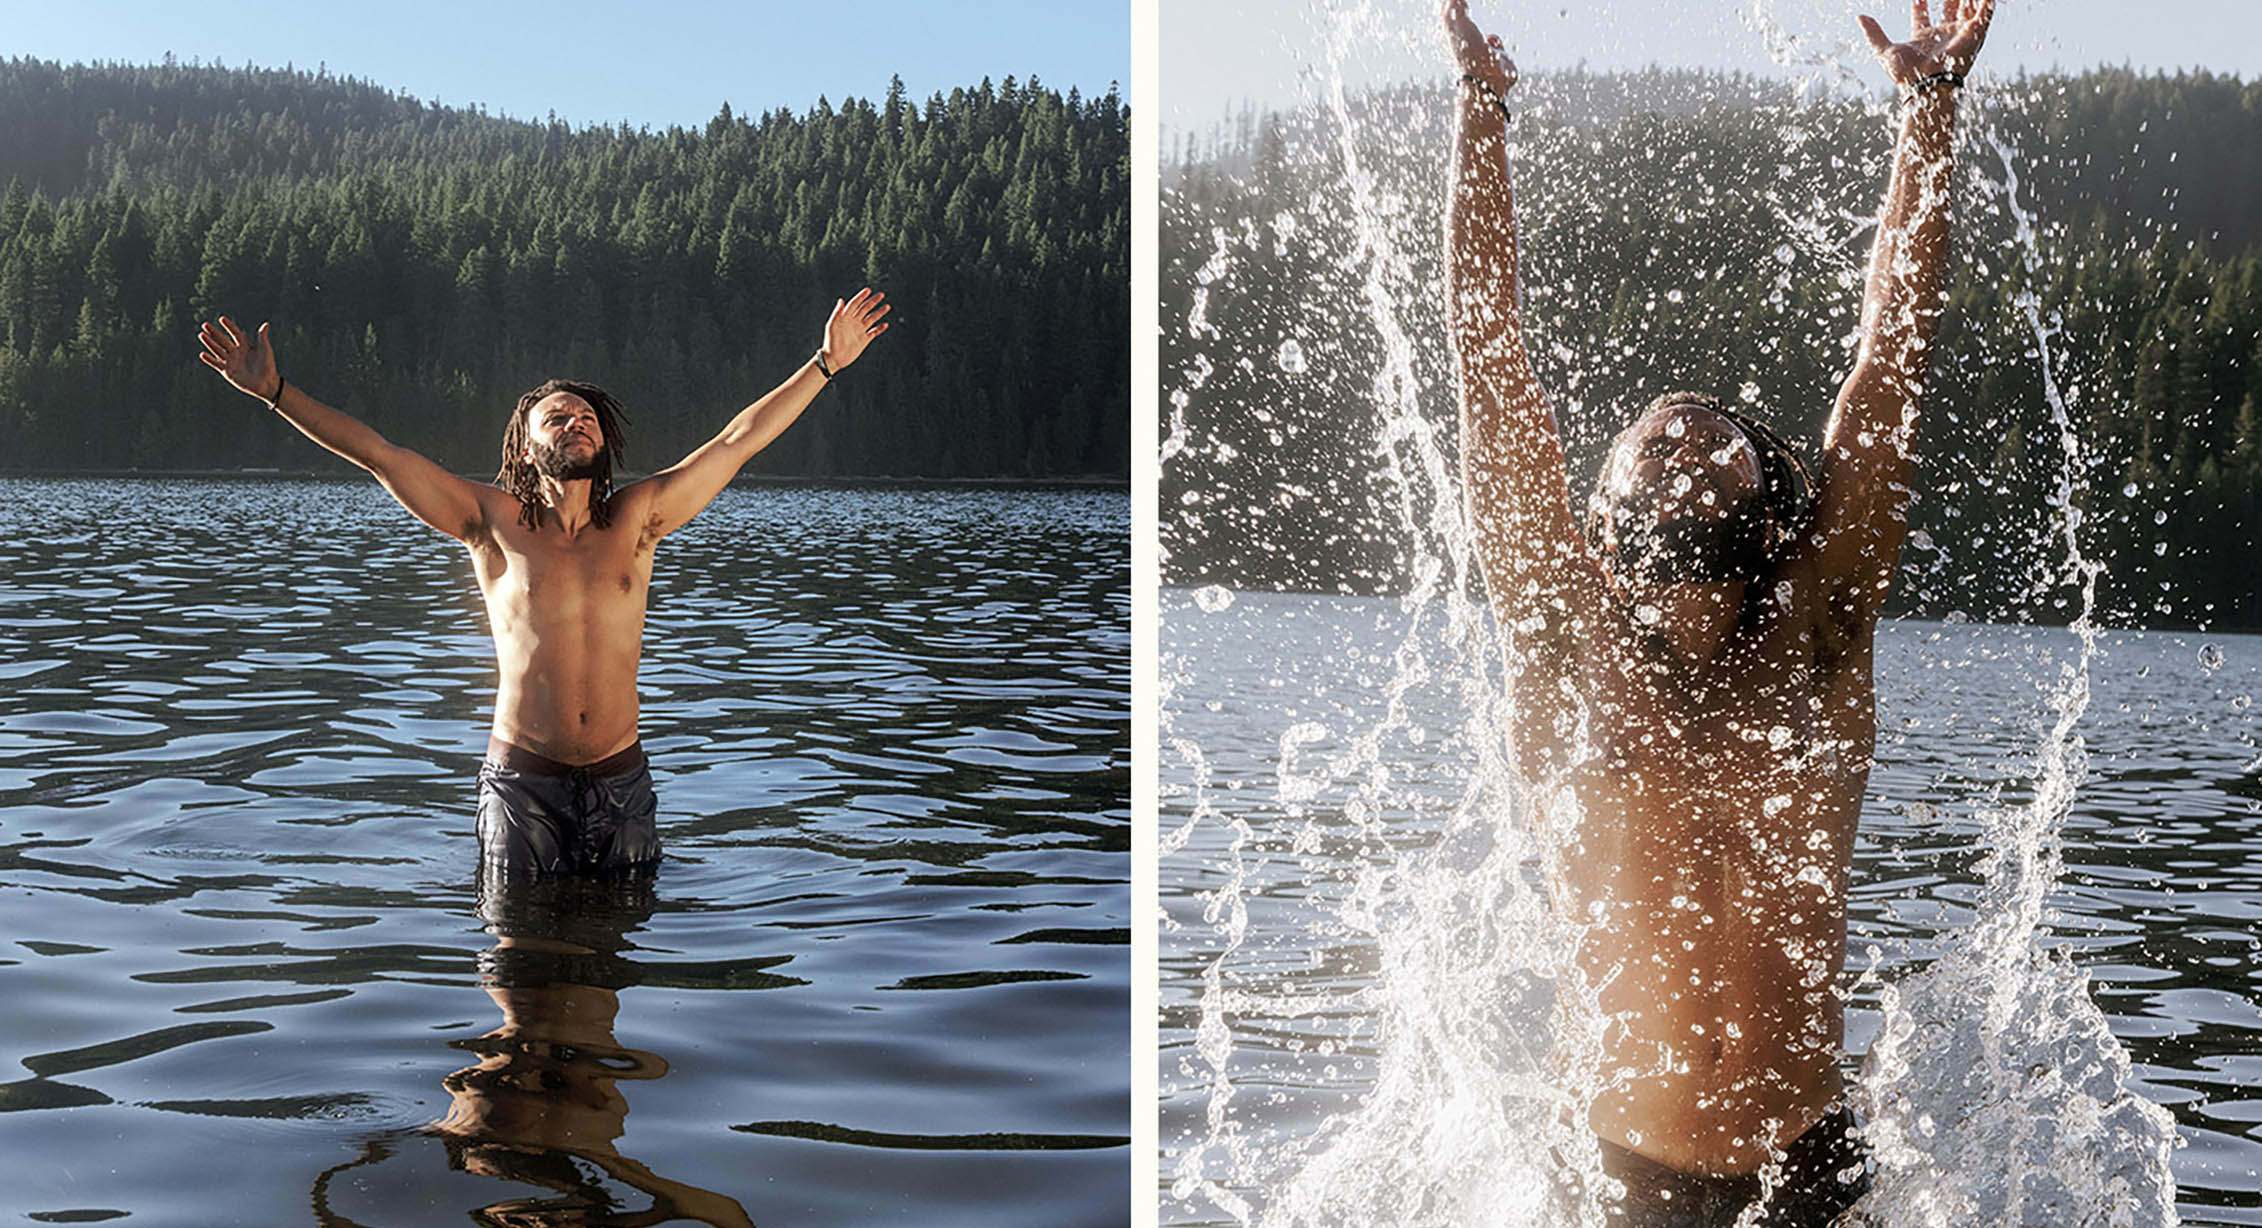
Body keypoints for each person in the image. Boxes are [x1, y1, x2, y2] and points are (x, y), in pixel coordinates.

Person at [1441, 0, 1992, 1223]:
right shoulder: (1559, 630)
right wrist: (1481, 114)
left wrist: (1930, 113)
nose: (1682, 425)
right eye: (1654, 433)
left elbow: (1890, 350)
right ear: (1599, 521)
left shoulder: (1819, 626)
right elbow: (1489, 359)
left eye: (1712, 431)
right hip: (1616, 1174)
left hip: (1811, 1166)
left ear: (1770, 505)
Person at [196, 291, 890, 875]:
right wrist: (276, 394)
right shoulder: (487, 521)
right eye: (557, 417)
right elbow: (379, 453)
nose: (575, 422)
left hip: (622, 780)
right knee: (518, 987)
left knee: (610, 963)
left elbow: (738, 440)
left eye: (585, 417)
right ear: (528, 447)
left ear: (605, 442)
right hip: (523, 784)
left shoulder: (640, 520)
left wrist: (826, 363)